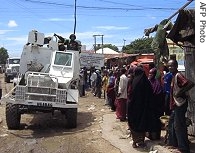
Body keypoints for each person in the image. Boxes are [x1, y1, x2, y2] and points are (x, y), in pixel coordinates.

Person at [167, 59, 194, 153]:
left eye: (172, 66)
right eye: (169, 66)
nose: (170, 67)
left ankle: (183, 148)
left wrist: (179, 92)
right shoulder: (173, 76)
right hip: (176, 104)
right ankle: (176, 143)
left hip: (180, 104)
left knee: (179, 125)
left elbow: (190, 83)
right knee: (173, 124)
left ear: (176, 66)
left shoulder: (178, 75)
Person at [127, 66, 154, 148]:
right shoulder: (147, 82)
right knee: (142, 123)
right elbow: (151, 94)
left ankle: (135, 141)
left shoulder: (133, 82)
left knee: (133, 124)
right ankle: (141, 141)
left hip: (134, 108)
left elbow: (130, 95)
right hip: (144, 108)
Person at [147, 68, 164, 140]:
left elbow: (159, 94)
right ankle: (150, 136)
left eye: (151, 73)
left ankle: (156, 136)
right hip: (149, 107)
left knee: (156, 122)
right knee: (150, 121)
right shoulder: (148, 82)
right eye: (149, 73)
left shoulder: (157, 84)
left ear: (154, 75)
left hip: (156, 107)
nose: (150, 75)